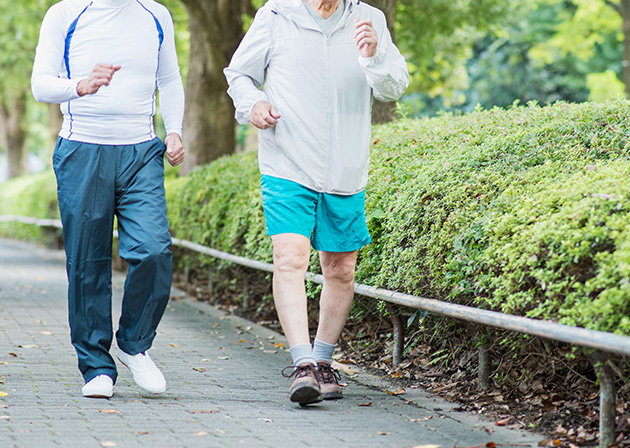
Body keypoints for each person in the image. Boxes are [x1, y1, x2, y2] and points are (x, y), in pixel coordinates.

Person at [224, 0, 408, 406]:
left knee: (340, 268)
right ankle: (302, 363)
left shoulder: (369, 18)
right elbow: (239, 74)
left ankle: (323, 361)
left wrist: (375, 55)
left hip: (345, 167)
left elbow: (393, 87)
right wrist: (252, 104)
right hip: (286, 162)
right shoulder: (275, 15)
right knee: (290, 256)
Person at [31, 0, 185, 399]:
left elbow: (169, 80)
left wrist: (175, 131)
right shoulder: (65, 13)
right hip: (82, 149)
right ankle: (96, 366)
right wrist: (80, 85)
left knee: (153, 249)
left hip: (140, 151)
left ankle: (135, 343)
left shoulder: (156, 13)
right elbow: (40, 83)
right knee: (87, 262)